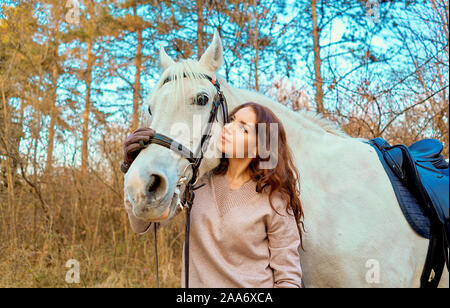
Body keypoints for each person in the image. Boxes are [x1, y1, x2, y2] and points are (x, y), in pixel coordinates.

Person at [121, 102, 305, 288]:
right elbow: (143, 225)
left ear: (260, 147)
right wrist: (132, 169)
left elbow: (288, 279)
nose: (228, 127)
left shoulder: (275, 201)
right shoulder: (196, 181)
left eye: (243, 128)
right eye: (232, 120)